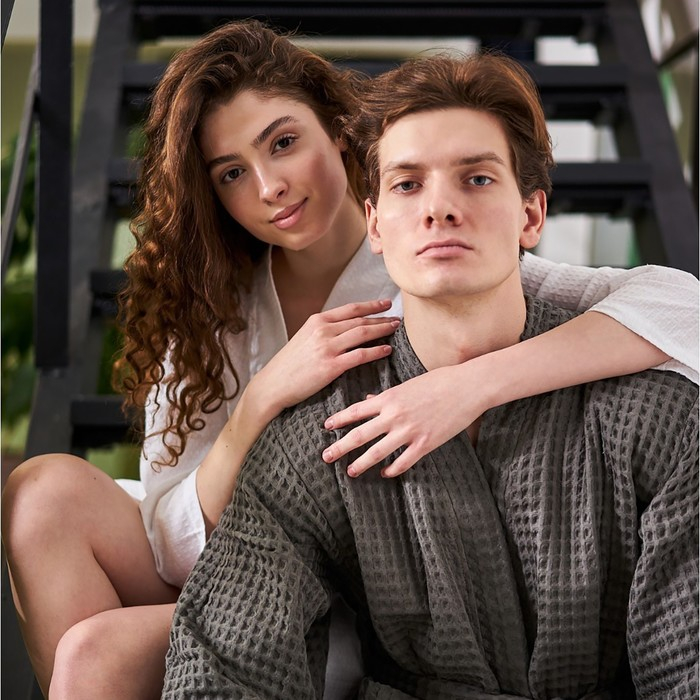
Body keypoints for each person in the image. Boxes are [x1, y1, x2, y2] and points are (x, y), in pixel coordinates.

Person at [2, 20, 697, 700]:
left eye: (283, 143)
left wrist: (468, 387)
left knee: (99, 653)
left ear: (339, 133)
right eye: (233, 173)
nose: (269, 186)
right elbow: (175, 551)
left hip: (359, 587)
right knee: (41, 499)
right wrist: (262, 401)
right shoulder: (208, 313)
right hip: (251, 561)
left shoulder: (438, 256)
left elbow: (675, 307)